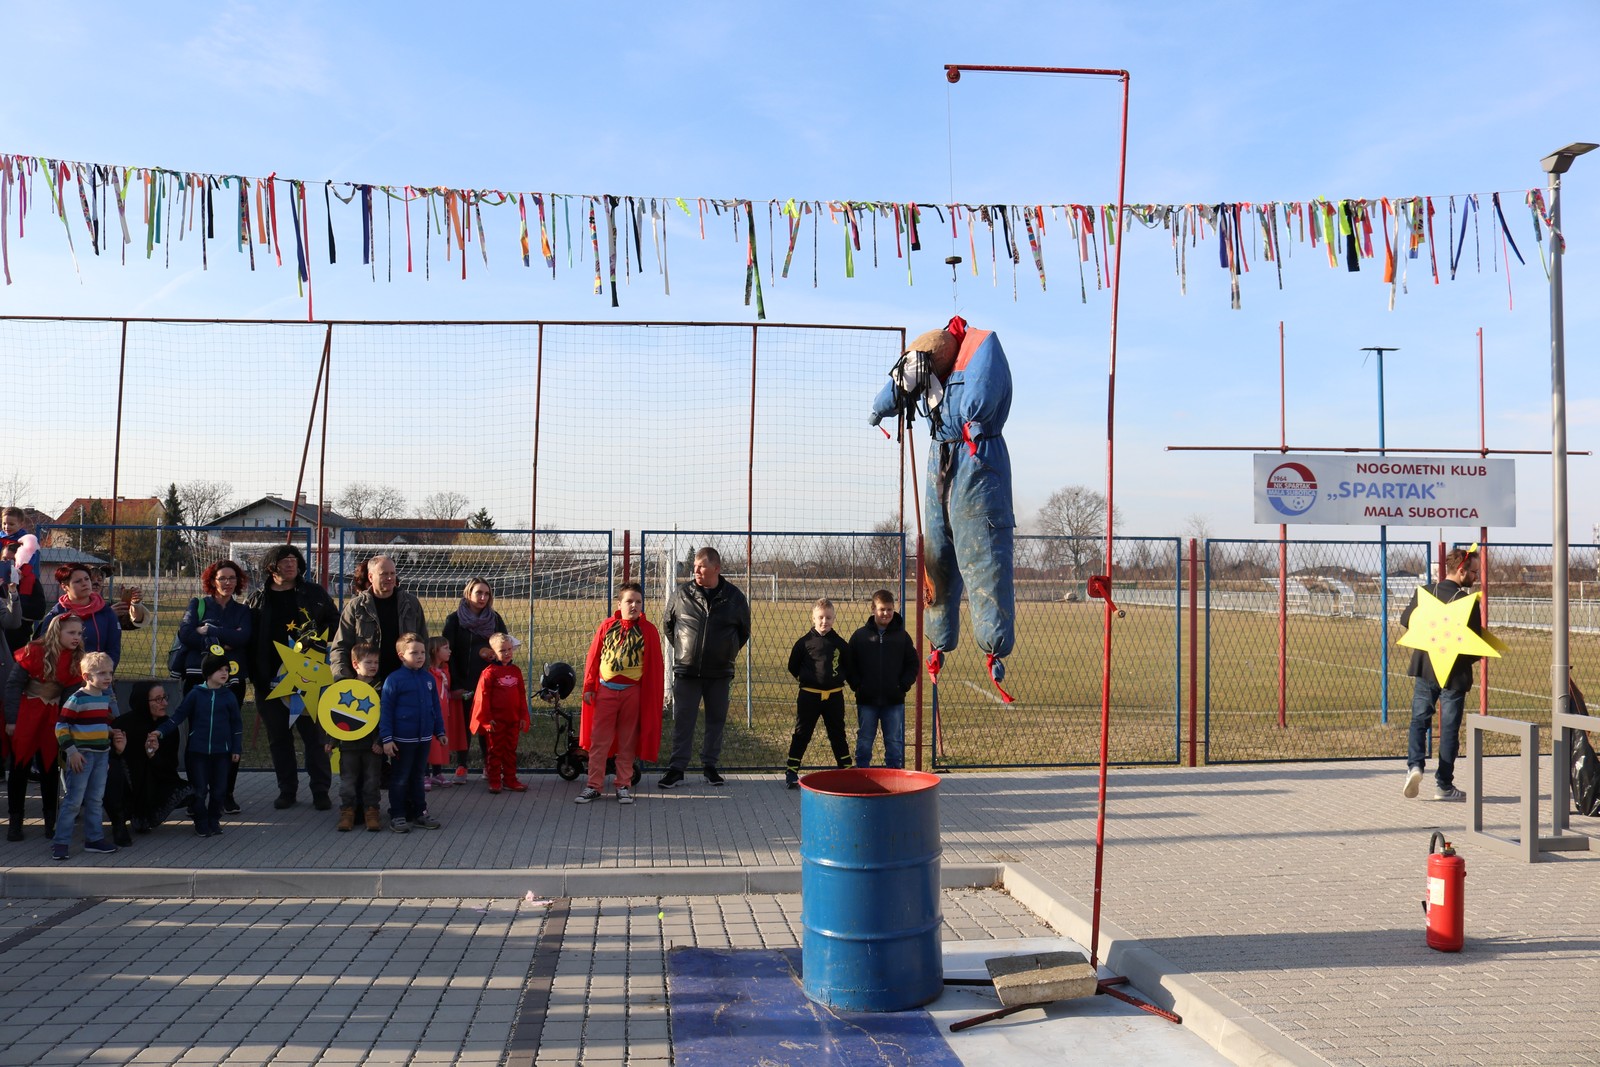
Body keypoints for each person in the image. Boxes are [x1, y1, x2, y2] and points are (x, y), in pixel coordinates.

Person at [246, 543, 339, 811]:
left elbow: (335, 624)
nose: (290, 564)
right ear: (271, 566)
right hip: (268, 681)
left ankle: (320, 791)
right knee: (279, 739)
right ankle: (287, 790)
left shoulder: (314, 593)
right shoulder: (257, 598)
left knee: (315, 739)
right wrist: (256, 675)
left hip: (307, 680)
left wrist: (316, 641)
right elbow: (248, 638)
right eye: (284, 560)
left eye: (294, 559)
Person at [658, 547, 750, 789]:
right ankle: (676, 769)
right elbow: (668, 626)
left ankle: (710, 767)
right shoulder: (681, 594)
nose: (696, 570)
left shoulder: (735, 598)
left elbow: (743, 632)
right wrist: (685, 651)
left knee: (716, 720)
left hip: (719, 673)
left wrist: (725, 653)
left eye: (701, 566)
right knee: (683, 721)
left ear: (716, 568)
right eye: (695, 566)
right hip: (687, 672)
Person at [1400, 547, 1482, 803]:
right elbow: (1475, 644)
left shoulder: (1425, 592)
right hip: (1455, 675)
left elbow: (1406, 620)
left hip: (1426, 668)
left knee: (1419, 719)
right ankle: (1444, 786)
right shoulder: (1467, 602)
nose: (1476, 577)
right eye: (1474, 572)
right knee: (1449, 730)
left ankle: (1415, 766)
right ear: (1462, 571)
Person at [576, 582, 664, 805]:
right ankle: (593, 785)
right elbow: (593, 658)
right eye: (629, 601)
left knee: (627, 741)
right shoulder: (607, 626)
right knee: (599, 740)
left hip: (632, 693)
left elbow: (654, 667)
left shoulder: (648, 631)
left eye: (638, 602)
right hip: (605, 691)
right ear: (619, 604)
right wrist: (589, 686)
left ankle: (623, 785)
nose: (634, 605)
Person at [177, 559, 252, 815]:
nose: (227, 583)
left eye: (232, 578)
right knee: (197, 734)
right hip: (196, 677)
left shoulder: (243, 610)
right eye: (222, 578)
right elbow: (186, 634)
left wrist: (209, 630)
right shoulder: (197, 604)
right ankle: (197, 795)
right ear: (212, 581)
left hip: (232, 680)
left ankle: (225, 794)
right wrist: (223, 639)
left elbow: (244, 637)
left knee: (228, 733)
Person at [6, 615, 83, 841]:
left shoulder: (77, 659)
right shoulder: (34, 651)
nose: (76, 637)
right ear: (56, 632)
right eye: (71, 632)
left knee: (50, 768)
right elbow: (13, 685)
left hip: (52, 716)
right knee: (19, 768)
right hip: (26, 714)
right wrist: (11, 719)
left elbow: (70, 697)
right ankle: (15, 822)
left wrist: (65, 724)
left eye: (79, 633)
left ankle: (51, 821)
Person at [155, 650, 242, 838]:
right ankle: (201, 821)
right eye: (220, 669)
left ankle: (214, 820)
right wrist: (160, 731)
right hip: (197, 752)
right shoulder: (196, 694)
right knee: (200, 790)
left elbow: (236, 724)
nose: (224, 673)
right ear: (208, 672)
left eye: (227, 670)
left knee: (219, 790)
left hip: (222, 752)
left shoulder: (229, 696)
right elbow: (178, 716)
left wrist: (236, 748)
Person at [50, 650, 121, 860]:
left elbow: (97, 723)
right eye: (102, 673)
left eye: (110, 672)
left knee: (96, 799)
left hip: (101, 755)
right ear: (87, 676)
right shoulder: (77, 699)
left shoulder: (105, 697)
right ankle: (60, 842)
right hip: (81, 757)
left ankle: (94, 839)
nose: (108, 677)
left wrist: (110, 732)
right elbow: (61, 727)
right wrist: (71, 752)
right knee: (74, 801)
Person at [441, 577, 508, 780]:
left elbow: (505, 646)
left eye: (487, 594)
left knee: (487, 724)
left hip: (488, 682)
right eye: (479, 592)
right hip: (463, 680)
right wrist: (454, 683)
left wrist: (495, 657)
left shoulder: (494, 619)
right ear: (468, 594)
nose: (483, 597)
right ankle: (462, 765)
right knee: (464, 724)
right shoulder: (454, 620)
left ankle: (489, 764)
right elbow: (447, 654)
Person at [784, 599, 855, 789]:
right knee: (802, 733)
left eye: (828, 618)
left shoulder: (840, 644)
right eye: (821, 617)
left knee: (837, 734)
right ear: (813, 618)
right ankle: (791, 770)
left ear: (834, 618)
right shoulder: (803, 643)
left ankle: (846, 770)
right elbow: (792, 666)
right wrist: (807, 678)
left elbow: (848, 667)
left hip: (834, 697)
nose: (825, 621)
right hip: (809, 696)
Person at [379, 633, 445, 833]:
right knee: (400, 778)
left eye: (422, 652)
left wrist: (440, 730)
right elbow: (386, 711)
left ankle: (420, 812)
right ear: (401, 655)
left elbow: (435, 707)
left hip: (424, 738)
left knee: (418, 777)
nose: (420, 656)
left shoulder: (428, 679)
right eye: (414, 653)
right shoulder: (394, 680)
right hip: (402, 740)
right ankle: (398, 814)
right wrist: (387, 738)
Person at [330, 554, 429, 683]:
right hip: (367, 685)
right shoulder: (356, 607)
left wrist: (421, 676)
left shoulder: (411, 604)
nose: (390, 578)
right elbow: (341, 647)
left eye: (392, 573)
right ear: (371, 577)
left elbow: (424, 642)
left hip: (406, 682)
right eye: (384, 574)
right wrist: (344, 680)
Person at [108, 681, 191, 835]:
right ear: (143, 702)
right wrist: (120, 752)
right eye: (158, 699)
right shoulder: (123, 724)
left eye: (165, 697)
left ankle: (144, 815)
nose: (165, 703)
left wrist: (152, 755)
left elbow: (171, 765)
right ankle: (121, 819)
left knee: (191, 791)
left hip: (155, 779)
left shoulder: (166, 728)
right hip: (128, 782)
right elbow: (108, 760)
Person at [848, 590, 918, 769]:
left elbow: (913, 663)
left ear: (894, 609)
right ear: (873, 609)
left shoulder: (902, 637)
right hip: (867, 699)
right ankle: (862, 772)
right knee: (865, 738)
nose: (886, 613)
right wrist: (857, 685)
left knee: (893, 740)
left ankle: (894, 773)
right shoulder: (860, 636)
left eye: (889, 609)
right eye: (881, 609)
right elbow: (849, 663)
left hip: (894, 700)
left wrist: (903, 684)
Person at [329, 642, 385, 833]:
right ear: (355, 664)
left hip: (372, 748)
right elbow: (336, 717)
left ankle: (372, 813)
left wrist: (380, 741)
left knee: (372, 782)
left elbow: (385, 718)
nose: (373, 666)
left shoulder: (381, 688)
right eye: (368, 662)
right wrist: (332, 741)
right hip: (348, 747)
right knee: (348, 782)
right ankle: (347, 812)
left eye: (376, 662)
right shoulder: (346, 689)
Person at [471, 633, 530, 793]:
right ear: (493, 653)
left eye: (509, 649)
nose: (507, 653)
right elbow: (483, 697)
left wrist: (523, 716)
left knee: (510, 750)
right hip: (496, 722)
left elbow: (521, 695)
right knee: (495, 750)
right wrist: (487, 719)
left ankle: (510, 779)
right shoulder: (489, 673)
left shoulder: (516, 671)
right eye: (502, 650)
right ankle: (495, 780)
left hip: (513, 720)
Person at [38, 563, 122, 666]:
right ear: (64, 586)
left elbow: (113, 650)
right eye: (78, 581)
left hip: (97, 673)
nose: (85, 583)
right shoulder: (56, 615)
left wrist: (102, 672)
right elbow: (46, 651)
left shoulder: (106, 612)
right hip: (63, 673)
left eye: (87, 579)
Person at [0, 507, 46, 650]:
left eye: (11, 524)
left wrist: (21, 572)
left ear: (21, 524)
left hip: (19, 634)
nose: (7, 527)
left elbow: (30, 560)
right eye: (4, 523)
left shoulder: (27, 541)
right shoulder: (1, 538)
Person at [426, 636, 465, 789]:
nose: (450, 651)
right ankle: (424, 774)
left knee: (440, 741)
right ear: (435, 651)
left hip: (442, 713)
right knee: (429, 743)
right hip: (430, 713)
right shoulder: (428, 673)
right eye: (446, 648)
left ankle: (437, 773)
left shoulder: (444, 671)